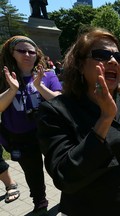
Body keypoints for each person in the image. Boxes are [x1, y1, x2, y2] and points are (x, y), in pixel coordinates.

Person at [36, 28, 120, 216]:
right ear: (80, 65)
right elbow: (65, 176)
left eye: (118, 57)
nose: (113, 60)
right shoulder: (55, 111)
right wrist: (105, 118)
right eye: (101, 54)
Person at [0, 35, 62, 214]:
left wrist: (39, 86)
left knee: (58, 164)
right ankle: (40, 201)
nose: (27, 54)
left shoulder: (47, 75)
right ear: (12, 53)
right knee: (32, 172)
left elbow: (59, 100)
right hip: (21, 136)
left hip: (47, 132)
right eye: (22, 50)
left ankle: (69, 193)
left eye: (31, 51)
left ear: (37, 55)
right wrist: (12, 89)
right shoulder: (5, 77)